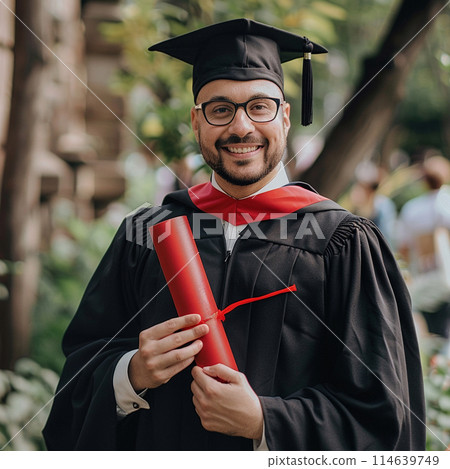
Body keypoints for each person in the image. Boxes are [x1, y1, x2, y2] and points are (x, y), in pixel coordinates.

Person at [43, 18, 425, 450]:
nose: (240, 127)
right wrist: (129, 374)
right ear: (196, 122)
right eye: (220, 109)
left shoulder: (343, 243)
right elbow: (76, 378)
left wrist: (267, 421)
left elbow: (385, 416)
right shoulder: (144, 236)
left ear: (283, 117)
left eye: (259, 106)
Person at [397, 155, 450, 353]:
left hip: (425, 276)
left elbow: (404, 249)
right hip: (446, 275)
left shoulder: (413, 209)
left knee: (431, 329)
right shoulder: (447, 203)